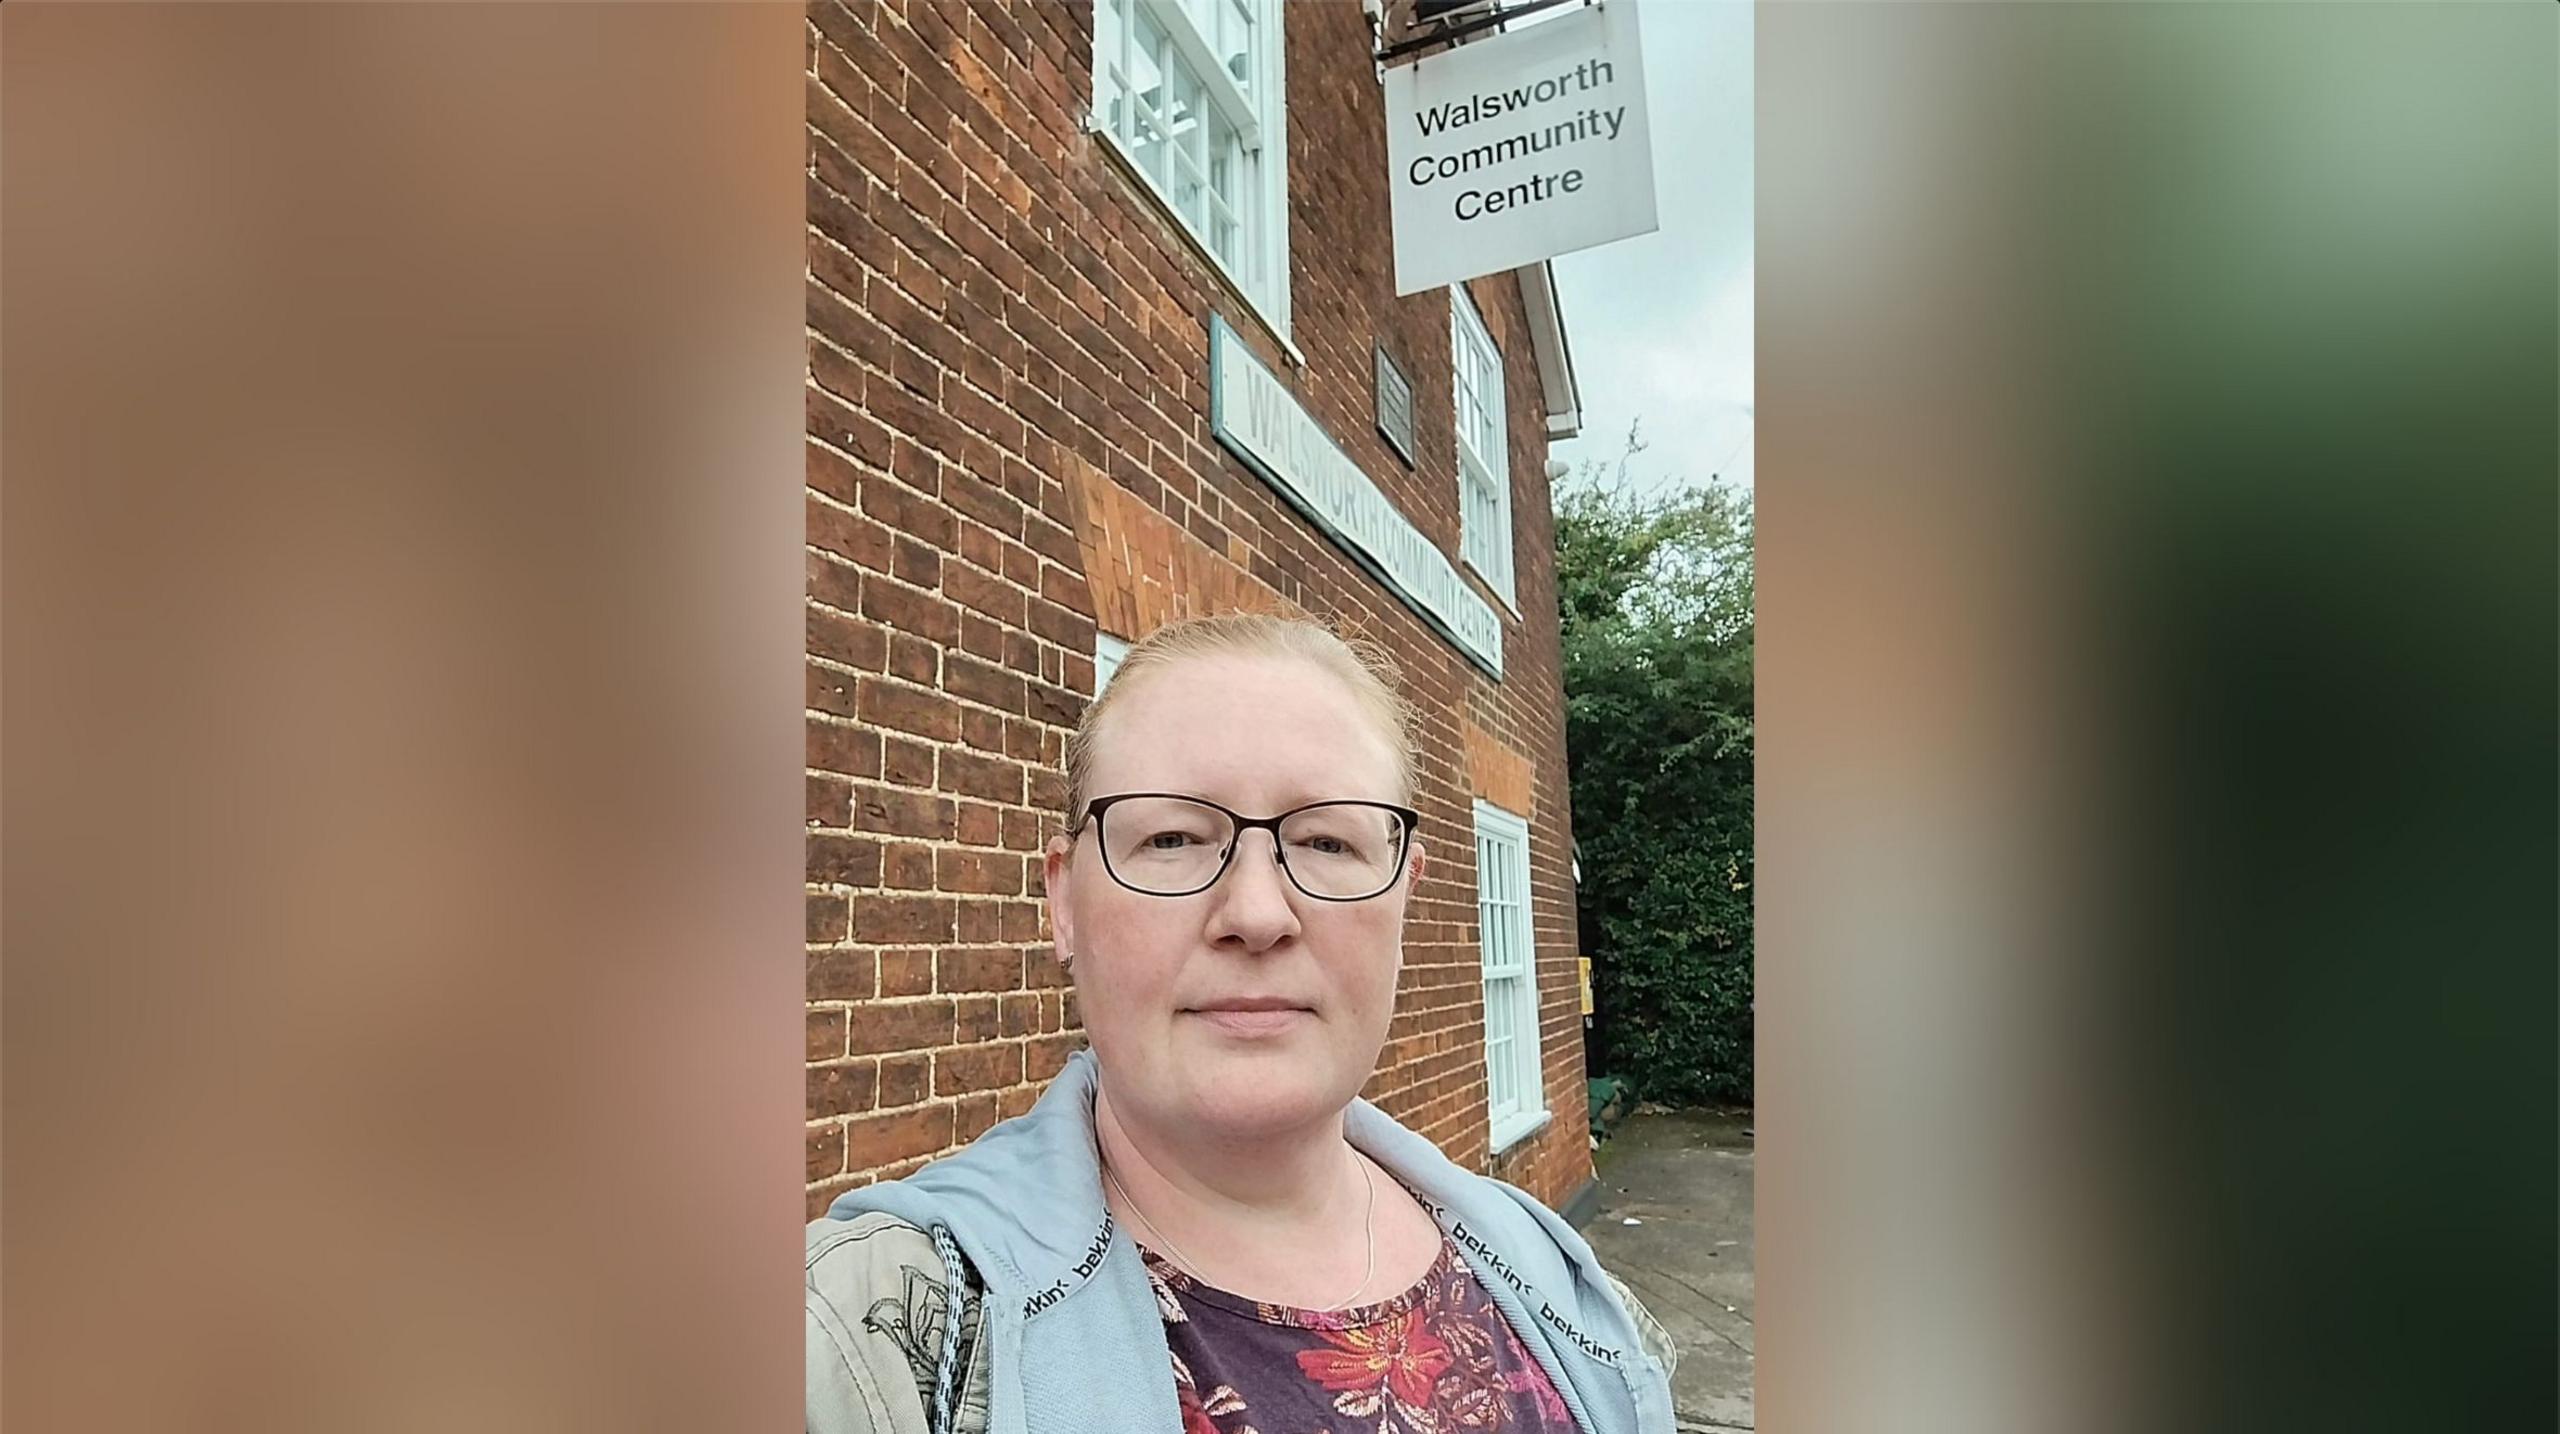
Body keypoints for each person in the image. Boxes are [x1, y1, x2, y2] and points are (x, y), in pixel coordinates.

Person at [806, 613, 1677, 1434]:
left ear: (1405, 896)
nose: (1258, 913)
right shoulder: (875, 1332)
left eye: (1328, 843)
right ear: (1065, 902)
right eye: (1174, 839)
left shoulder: (1558, 1281)